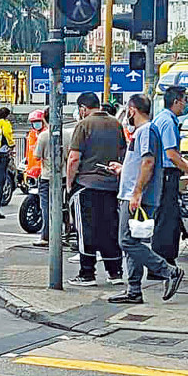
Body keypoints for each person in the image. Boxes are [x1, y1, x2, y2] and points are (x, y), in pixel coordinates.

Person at [107, 94, 185, 303]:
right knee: (132, 242)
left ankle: (169, 271)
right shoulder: (143, 132)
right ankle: (133, 290)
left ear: (132, 110)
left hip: (137, 197)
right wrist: (123, 169)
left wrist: (137, 192)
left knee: (126, 241)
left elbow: (148, 163)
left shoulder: (147, 130)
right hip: (133, 193)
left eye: (127, 110)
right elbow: (140, 163)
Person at [66, 92, 127, 286]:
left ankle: (87, 273)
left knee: (86, 230)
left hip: (86, 185)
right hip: (111, 186)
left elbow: (74, 158)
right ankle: (115, 272)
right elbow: (123, 153)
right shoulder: (116, 124)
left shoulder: (83, 125)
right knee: (109, 228)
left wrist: (69, 184)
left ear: (83, 108)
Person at [151, 86, 188, 271]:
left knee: (166, 217)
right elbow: (171, 154)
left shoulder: (163, 118)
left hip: (165, 175)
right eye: (185, 100)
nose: (187, 104)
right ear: (177, 101)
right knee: (167, 219)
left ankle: (162, 262)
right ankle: (163, 264)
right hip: (167, 175)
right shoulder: (168, 122)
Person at [32, 107, 73, 247]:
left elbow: (37, 156)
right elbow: (69, 156)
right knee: (63, 206)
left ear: (45, 118)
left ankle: (46, 236)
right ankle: (65, 233)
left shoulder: (43, 135)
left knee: (46, 207)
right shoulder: (67, 134)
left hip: (46, 176)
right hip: (63, 175)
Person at [25, 109, 46, 181]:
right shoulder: (31, 135)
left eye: (38, 121)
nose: (36, 124)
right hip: (32, 171)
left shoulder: (46, 134)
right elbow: (28, 151)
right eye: (34, 122)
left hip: (43, 171)